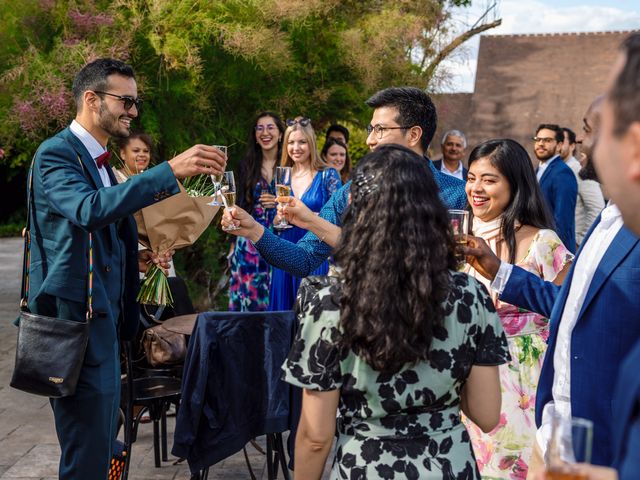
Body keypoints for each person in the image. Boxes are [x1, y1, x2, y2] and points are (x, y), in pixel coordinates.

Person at [26, 58, 226, 479]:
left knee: (102, 448)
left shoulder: (99, 162)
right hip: (76, 330)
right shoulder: (56, 153)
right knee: (86, 458)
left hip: (108, 325)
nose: (133, 112)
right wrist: (168, 171)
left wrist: (132, 255)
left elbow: (98, 229)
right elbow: (86, 210)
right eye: (126, 101)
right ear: (91, 99)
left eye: (135, 103)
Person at [282, 144, 511, 479]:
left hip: (365, 466)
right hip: (447, 465)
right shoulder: (469, 297)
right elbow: (487, 414)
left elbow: (315, 437)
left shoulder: (328, 301)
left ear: (355, 211)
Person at [462, 95, 640, 475]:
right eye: (471, 178)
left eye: (589, 133)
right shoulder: (607, 218)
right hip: (523, 405)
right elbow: (571, 305)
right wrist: (496, 269)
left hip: (541, 403)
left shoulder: (547, 239)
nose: (576, 145)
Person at [221, 87, 467, 277]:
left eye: (380, 129)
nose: (370, 140)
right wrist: (254, 230)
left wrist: (312, 220)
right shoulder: (350, 192)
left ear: (413, 134)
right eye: (370, 128)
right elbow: (303, 259)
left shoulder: (456, 195)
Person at [461, 139, 573, 479]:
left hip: (521, 390)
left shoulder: (543, 242)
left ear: (515, 183)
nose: (476, 188)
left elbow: (567, 310)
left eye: (489, 179)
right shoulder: (455, 236)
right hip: (464, 383)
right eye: (471, 177)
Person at [268, 117, 341, 310]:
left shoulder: (328, 175)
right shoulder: (282, 175)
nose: (296, 147)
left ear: (311, 144)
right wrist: (277, 219)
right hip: (284, 250)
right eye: (291, 142)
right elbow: (274, 222)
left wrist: (307, 216)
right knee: (283, 318)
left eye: (302, 142)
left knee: (311, 315)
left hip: (314, 253)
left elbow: (339, 219)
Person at [228, 112, 284, 311]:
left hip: (281, 238)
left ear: (280, 134)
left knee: (278, 297)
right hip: (249, 243)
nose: (265, 132)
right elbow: (240, 204)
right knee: (249, 298)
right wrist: (233, 244)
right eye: (259, 128)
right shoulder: (247, 165)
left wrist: (278, 203)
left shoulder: (290, 164)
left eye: (270, 127)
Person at [533, 123, 578, 252]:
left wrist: (551, 251)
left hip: (554, 251)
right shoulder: (538, 170)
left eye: (547, 140)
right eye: (538, 139)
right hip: (538, 247)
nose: (541, 144)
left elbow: (563, 220)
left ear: (559, 145)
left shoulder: (563, 173)